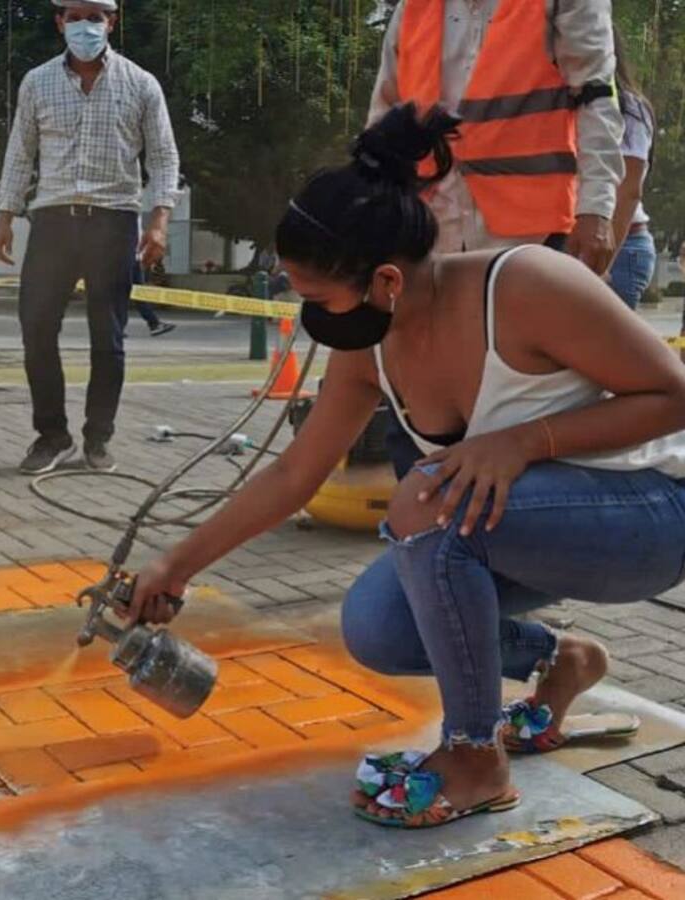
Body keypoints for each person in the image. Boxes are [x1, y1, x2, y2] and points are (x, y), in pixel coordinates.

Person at [127, 105, 685, 829]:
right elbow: (294, 475)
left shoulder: (525, 286)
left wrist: (522, 441)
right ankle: (560, 660)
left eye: (317, 298)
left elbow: (674, 395)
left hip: (649, 519)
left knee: (424, 498)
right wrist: (176, 566)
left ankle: (474, 756)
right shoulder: (367, 348)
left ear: (386, 280)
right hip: (525, 534)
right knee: (378, 625)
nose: (310, 317)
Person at [369, 0, 626, 480]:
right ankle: (425, 534)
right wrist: (369, 214)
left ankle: (522, 534)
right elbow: (384, 113)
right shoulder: (415, 9)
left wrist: (596, 210)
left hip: (528, 237)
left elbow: (596, 94)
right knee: (422, 414)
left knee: (530, 406)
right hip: (429, 237)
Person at [0, 0, 180, 475]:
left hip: (113, 221)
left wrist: (159, 220)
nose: (84, 26)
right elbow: (21, 151)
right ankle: (52, 436)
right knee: (35, 328)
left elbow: (162, 156)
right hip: (53, 220)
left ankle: (98, 438)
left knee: (108, 337)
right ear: (59, 22)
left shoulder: (140, 84)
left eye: (94, 17)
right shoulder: (38, 82)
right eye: (73, 17)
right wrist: (6, 214)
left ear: (111, 22)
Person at [606, 29, 656, 310]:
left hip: (620, 247)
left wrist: (601, 265)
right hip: (588, 243)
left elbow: (628, 191)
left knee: (600, 351)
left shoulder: (627, 107)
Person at [131, 259, 175, 337]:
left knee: (138, 294)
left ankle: (154, 324)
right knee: (135, 294)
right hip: (126, 259)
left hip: (131, 260)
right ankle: (154, 324)